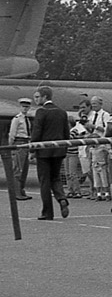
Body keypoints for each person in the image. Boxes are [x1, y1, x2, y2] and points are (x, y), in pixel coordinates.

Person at [30, 87, 71, 220]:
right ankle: (61, 198)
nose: (35, 100)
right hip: (59, 150)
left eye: (37, 97)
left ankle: (47, 212)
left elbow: (37, 132)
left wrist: (32, 148)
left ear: (45, 97)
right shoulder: (61, 112)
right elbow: (66, 133)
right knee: (56, 177)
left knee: (44, 181)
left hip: (44, 151)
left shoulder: (41, 112)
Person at [7, 96, 33, 199]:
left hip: (26, 143)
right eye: (23, 107)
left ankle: (21, 190)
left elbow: (29, 133)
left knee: (24, 169)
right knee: (18, 169)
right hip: (19, 143)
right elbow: (12, 134)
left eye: (27, 107)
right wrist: (11, 147)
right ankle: (16, 193)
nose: (25, 109)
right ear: (20, 107)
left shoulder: (27, 119)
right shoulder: (17, 119)